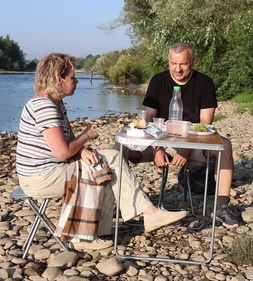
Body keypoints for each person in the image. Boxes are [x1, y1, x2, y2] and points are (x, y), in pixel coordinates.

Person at [15, 53, 186, 251]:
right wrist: (86, 136)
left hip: (51, 171)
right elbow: (62, 152)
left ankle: (99, 231)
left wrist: (83, 152)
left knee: (107, 166)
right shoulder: (44, 106)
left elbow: (69, 142)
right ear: (58, 79)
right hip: (40, 178)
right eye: (72, 77)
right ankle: (95, 234)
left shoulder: (56, 103)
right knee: (109, 162)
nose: (77, 80)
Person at [116, 42, 240, 228]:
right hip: (159, 142)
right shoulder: (158, 81)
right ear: (168, 61)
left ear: (192, 61)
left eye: (183, 64)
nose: (178, 69)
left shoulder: (204, 82)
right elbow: (147, 119)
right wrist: (156, 149)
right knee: (120, 148)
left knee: (225, 146)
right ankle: (123, 203)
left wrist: (186, 151)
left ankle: (221, 206)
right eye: (173, 64)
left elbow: (205, 124)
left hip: (193, 143)